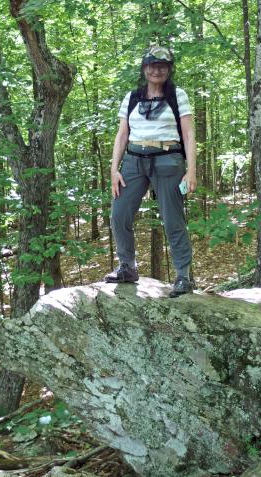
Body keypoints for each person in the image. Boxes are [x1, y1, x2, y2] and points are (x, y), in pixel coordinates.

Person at [104, 46, 197, 297]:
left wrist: (191, 171)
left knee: (172, 219)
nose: (157, 70)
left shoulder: (178, 96)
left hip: (168, 161)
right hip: (133, 162)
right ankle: (127, 267)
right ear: (144, 69)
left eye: (163, 66)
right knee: (119, 214)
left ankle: (183, 276)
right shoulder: (132, 97)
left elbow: (188, 134)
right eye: (152, 65)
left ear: (169, 70)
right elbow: (122, 135)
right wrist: (114, 170)